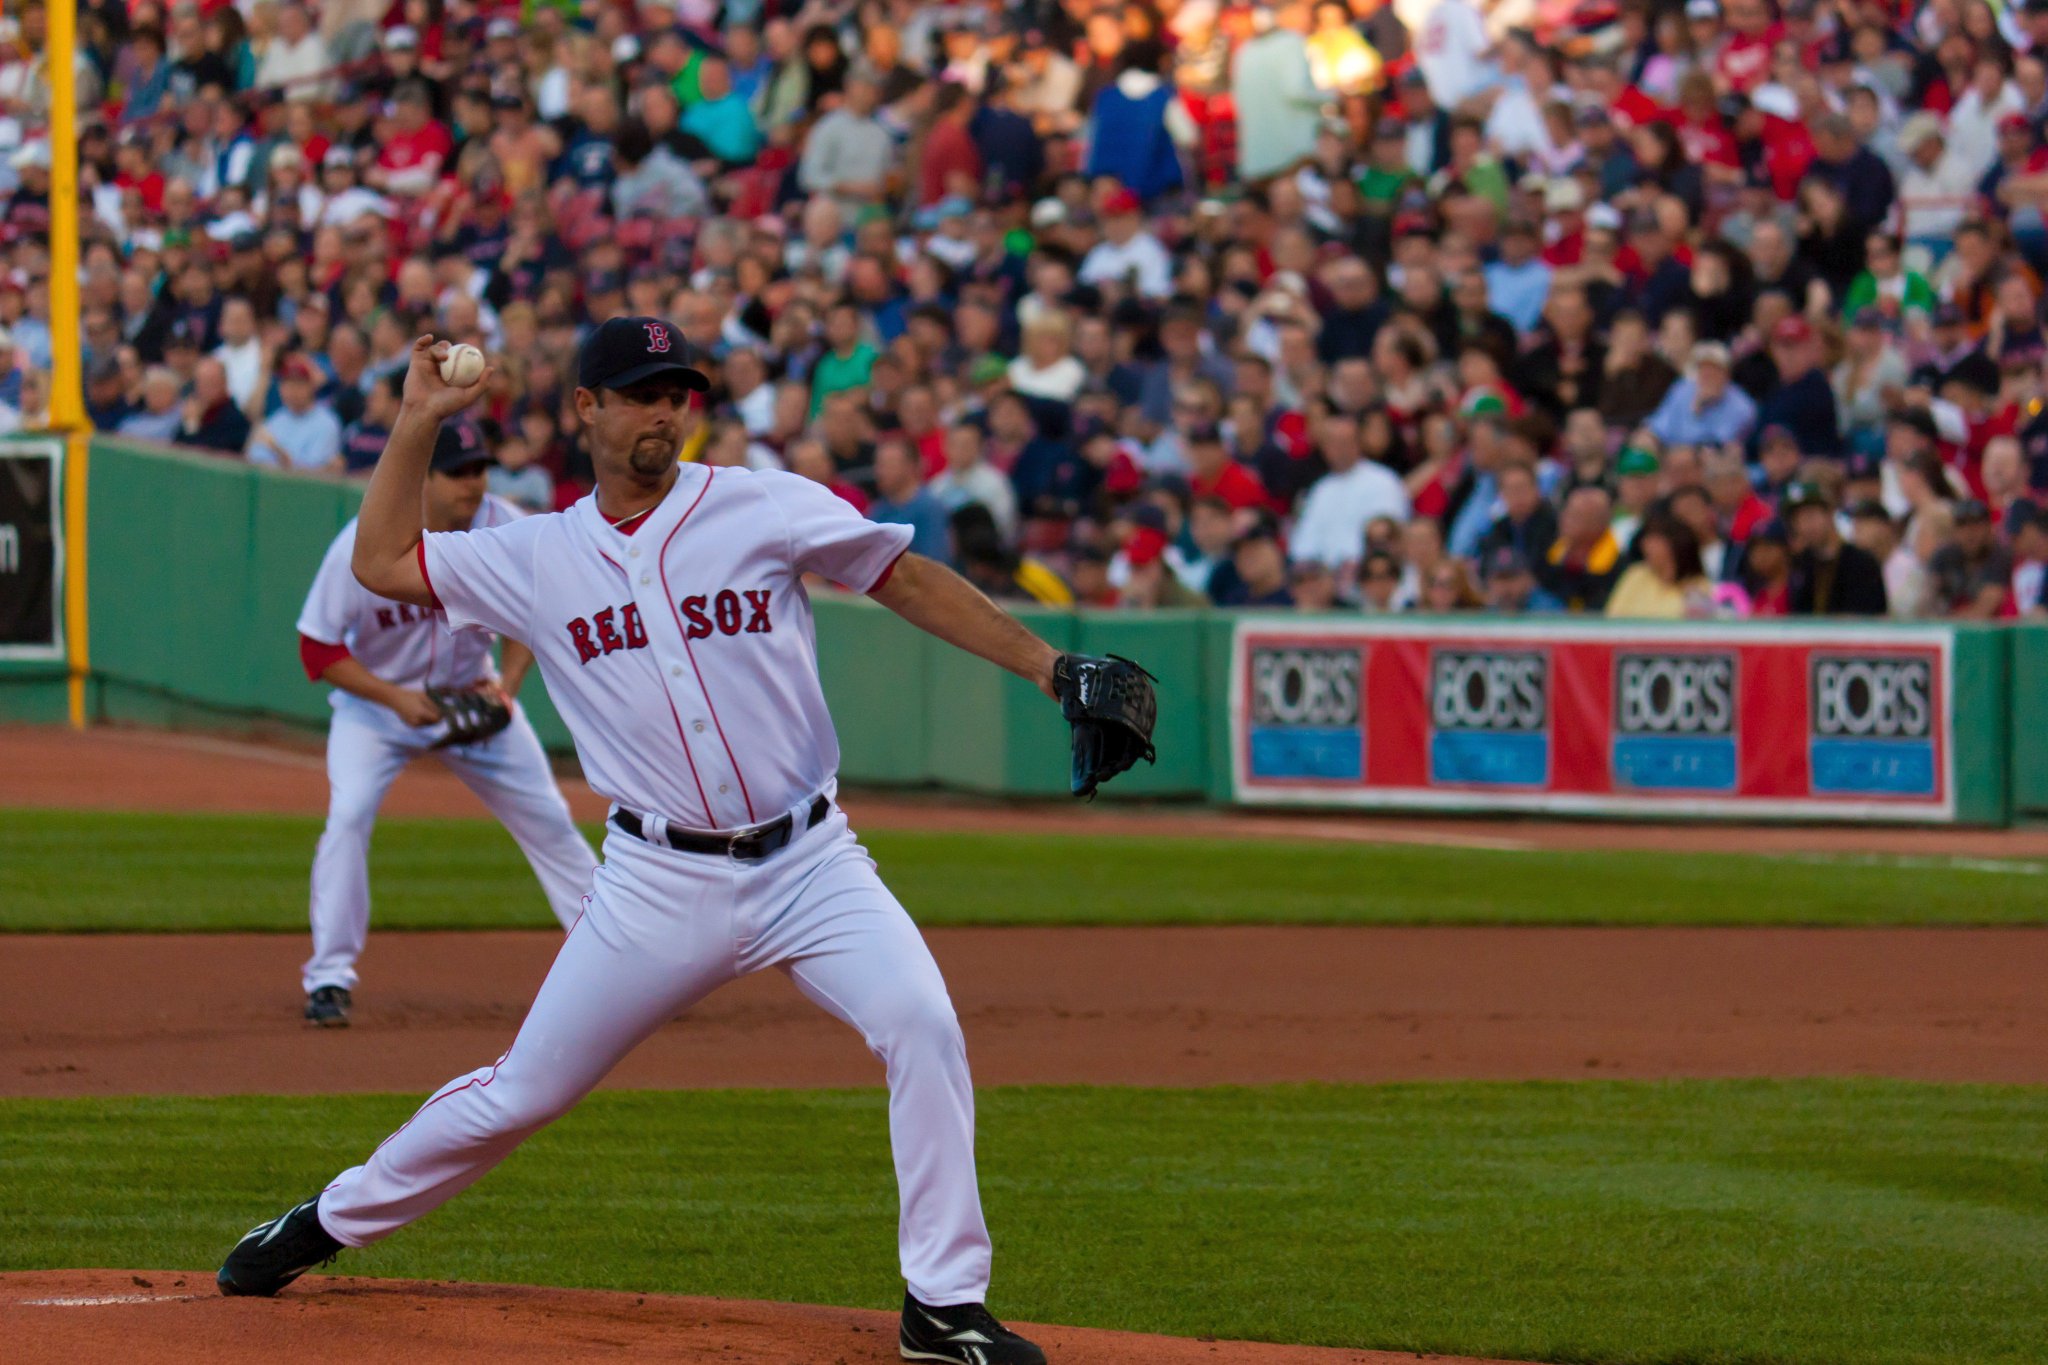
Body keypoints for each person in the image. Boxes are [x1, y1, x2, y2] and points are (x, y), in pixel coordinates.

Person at [219, 324, 1081, 1365]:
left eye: (677, 392)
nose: (663, 411)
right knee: (521, 1093)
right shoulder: (536, 555)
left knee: (922, 1025)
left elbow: (903, 577)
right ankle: (326, 1221)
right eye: (637, 393)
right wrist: (416, 419)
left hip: (812, 862)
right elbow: (383, 562)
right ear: (585, 409)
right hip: (655, 884)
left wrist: (1050, 667)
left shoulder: (758, 502)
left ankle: (942, 1306)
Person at [292, 423, 597, 1027]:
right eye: (457, 471)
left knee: (551, 822)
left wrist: (507, 687)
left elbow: (540, 612)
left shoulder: (506, 525)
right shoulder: (364, 541)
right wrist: (394, 699)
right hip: (377, 712)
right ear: (423, 478)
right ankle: (329, 978)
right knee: (348, 815)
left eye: (479, 467)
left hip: (473, 702)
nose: (472, 482)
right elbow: (316, 649)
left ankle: (618, 965)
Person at [1784, 480, 1889, 615]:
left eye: (1810, 516)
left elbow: (1868, 618)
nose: (1805, 526)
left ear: (1830, 513)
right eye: (1798, 520)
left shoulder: (1861, 562)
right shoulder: (1801, 563)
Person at [1605, 514, 1715, 618]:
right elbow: (1612, 615)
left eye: (1655, 541)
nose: (1646, 546)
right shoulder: (1635, 574)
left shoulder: (1700, 586)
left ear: (1676, 545)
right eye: (1646, 540)